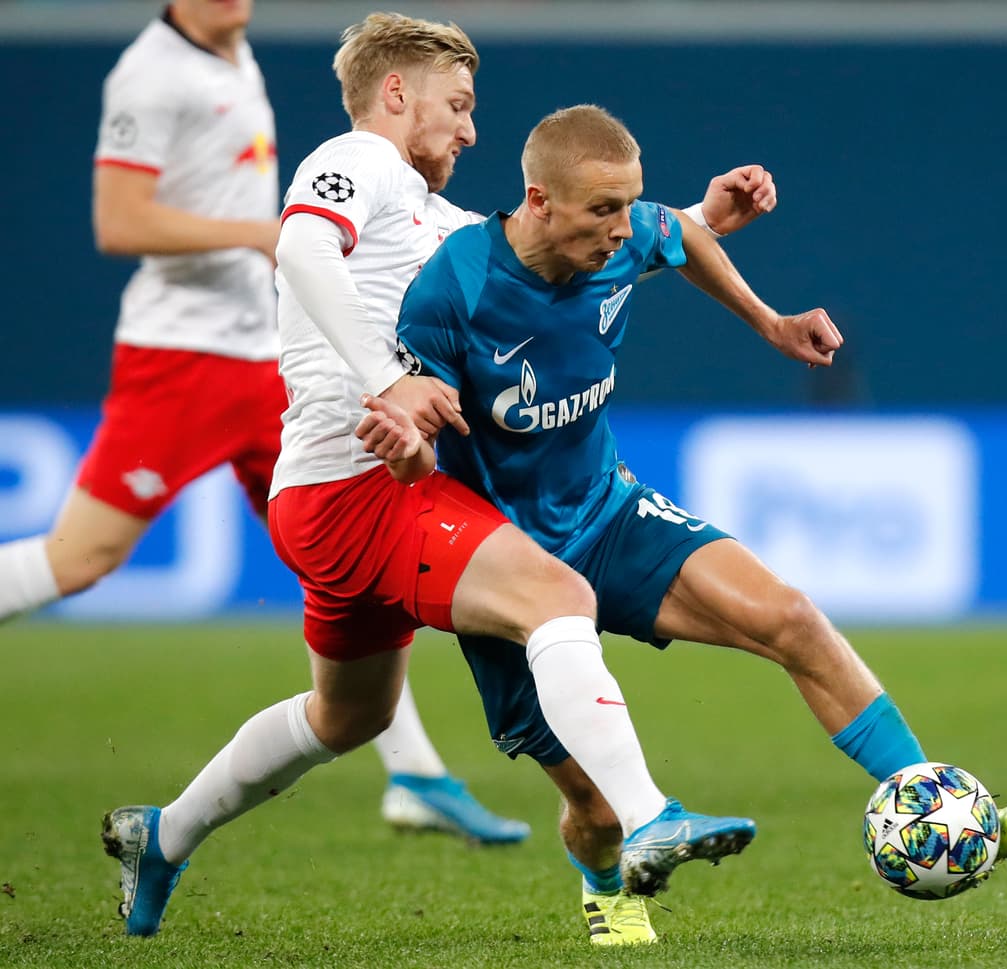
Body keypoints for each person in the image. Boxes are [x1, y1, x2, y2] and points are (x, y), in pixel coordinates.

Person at [102, 13, 763, 944]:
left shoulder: (429, 219)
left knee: (348, 714)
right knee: (558, 595)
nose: (470, 128)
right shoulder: (359, 159)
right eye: (457, 104)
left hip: (333, 497)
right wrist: (389, 377)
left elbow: (558, 257)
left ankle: (162, 835)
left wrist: (695, 219)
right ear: (396, 93)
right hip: (361, 490)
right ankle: (650, 815)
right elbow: (299, 248)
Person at [386, 104, 1007, 917]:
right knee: (597, 812)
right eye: (603, 209)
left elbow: (679, 232)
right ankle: (607, 895)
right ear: (538, 200)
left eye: (628, 204)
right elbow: (413, 435)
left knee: (792, 618)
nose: (623, 227)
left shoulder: (624, 234)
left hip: (607, 515)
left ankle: (934, 808)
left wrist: (771, 322)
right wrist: (409, 443)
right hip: (507, 562)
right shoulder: (454, 286)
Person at [0, 0, 527, 845]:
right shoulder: (152, 73)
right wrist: (263, 233)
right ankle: (414, 771)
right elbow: (120, 220)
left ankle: (415, 772)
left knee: (350, 543)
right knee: (83, 556)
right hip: (184, 354)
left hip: (263, 357)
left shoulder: (233, 58)